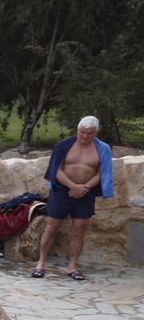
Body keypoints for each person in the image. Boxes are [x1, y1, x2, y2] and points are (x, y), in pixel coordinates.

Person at [32, 115, 115, 281]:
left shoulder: (103, 148)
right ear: (77, 129)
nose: (84, 136)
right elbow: (55, 169)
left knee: (79, 229)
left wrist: (84, 188)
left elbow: (102, 172)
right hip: (62, 190)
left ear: (95, 132)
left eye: (89, 133)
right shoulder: (63, 145)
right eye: (82, 132)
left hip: (86, 193)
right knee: (52, 226)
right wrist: (73, 186)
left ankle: (73, 266)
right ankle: (40, 263)